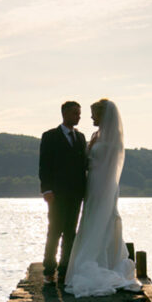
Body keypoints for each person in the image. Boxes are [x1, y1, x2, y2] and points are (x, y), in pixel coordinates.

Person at [64, 99, 139, 297]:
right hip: (92, 185)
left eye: (94, 114)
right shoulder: (97, 136)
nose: (90, 118)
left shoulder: (112, 139)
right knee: (91, 219)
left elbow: (107, 166)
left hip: (103, 186)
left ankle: (102, 261)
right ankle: (100, 259)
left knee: (102, 220)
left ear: (103, 115)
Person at [38, 101, 88, 284]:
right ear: (65, 113)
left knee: (70, 232)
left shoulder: (81, 138)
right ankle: (49, 269)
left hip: (76, 193)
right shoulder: (50, 136)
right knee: (54, 231)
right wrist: (47, 190)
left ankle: (65, 269)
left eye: (79, 113)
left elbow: (84, 165)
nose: (78, 117)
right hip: (56, 193)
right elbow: (44, 165)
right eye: (75, 113)